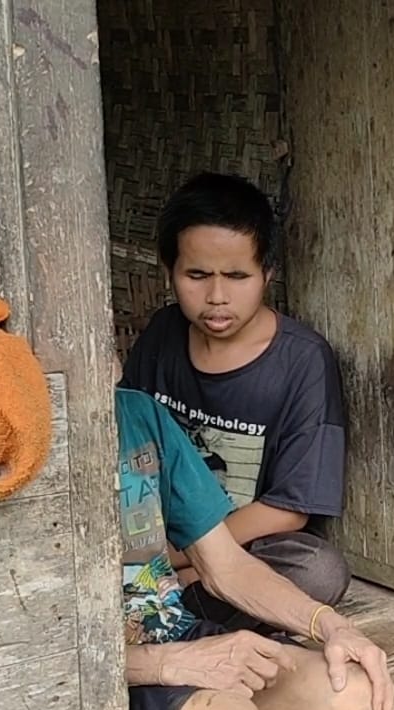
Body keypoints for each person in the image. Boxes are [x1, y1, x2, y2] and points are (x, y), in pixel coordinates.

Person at [120, 172, 350, 629]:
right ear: (169, 271)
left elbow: (289, 509)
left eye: (237, 276)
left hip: (236, 548)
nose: (217, 297)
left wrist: (185, 557)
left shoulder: (302, 361)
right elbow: (126, 442)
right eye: (197, 275)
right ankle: (170, 611)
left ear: (267, 274)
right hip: (148, 535)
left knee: (316, 570)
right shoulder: (164, 335)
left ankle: (168, 607)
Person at [117, 384, 394, 710]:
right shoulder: (51, 442)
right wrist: (165, 664)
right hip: (95, 671)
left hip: (171, 629)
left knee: (354, 693)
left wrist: (333, 626)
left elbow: (227, 566)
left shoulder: (138, 413)